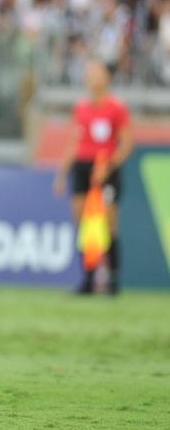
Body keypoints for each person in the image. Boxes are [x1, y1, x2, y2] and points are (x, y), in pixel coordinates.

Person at [53, 59, 133, 294]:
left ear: (107, 78)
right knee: (83, 225)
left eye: (96, 72)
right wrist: (62, 173)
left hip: (106, 168)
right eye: (89, 73)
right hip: (82, 167)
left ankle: (113, 281)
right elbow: (73, 143)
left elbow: (127, 143)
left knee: (108, 225)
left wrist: (109, 166)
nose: (91, 77)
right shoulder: (81, 108)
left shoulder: (117, 108)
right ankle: (87, 279)